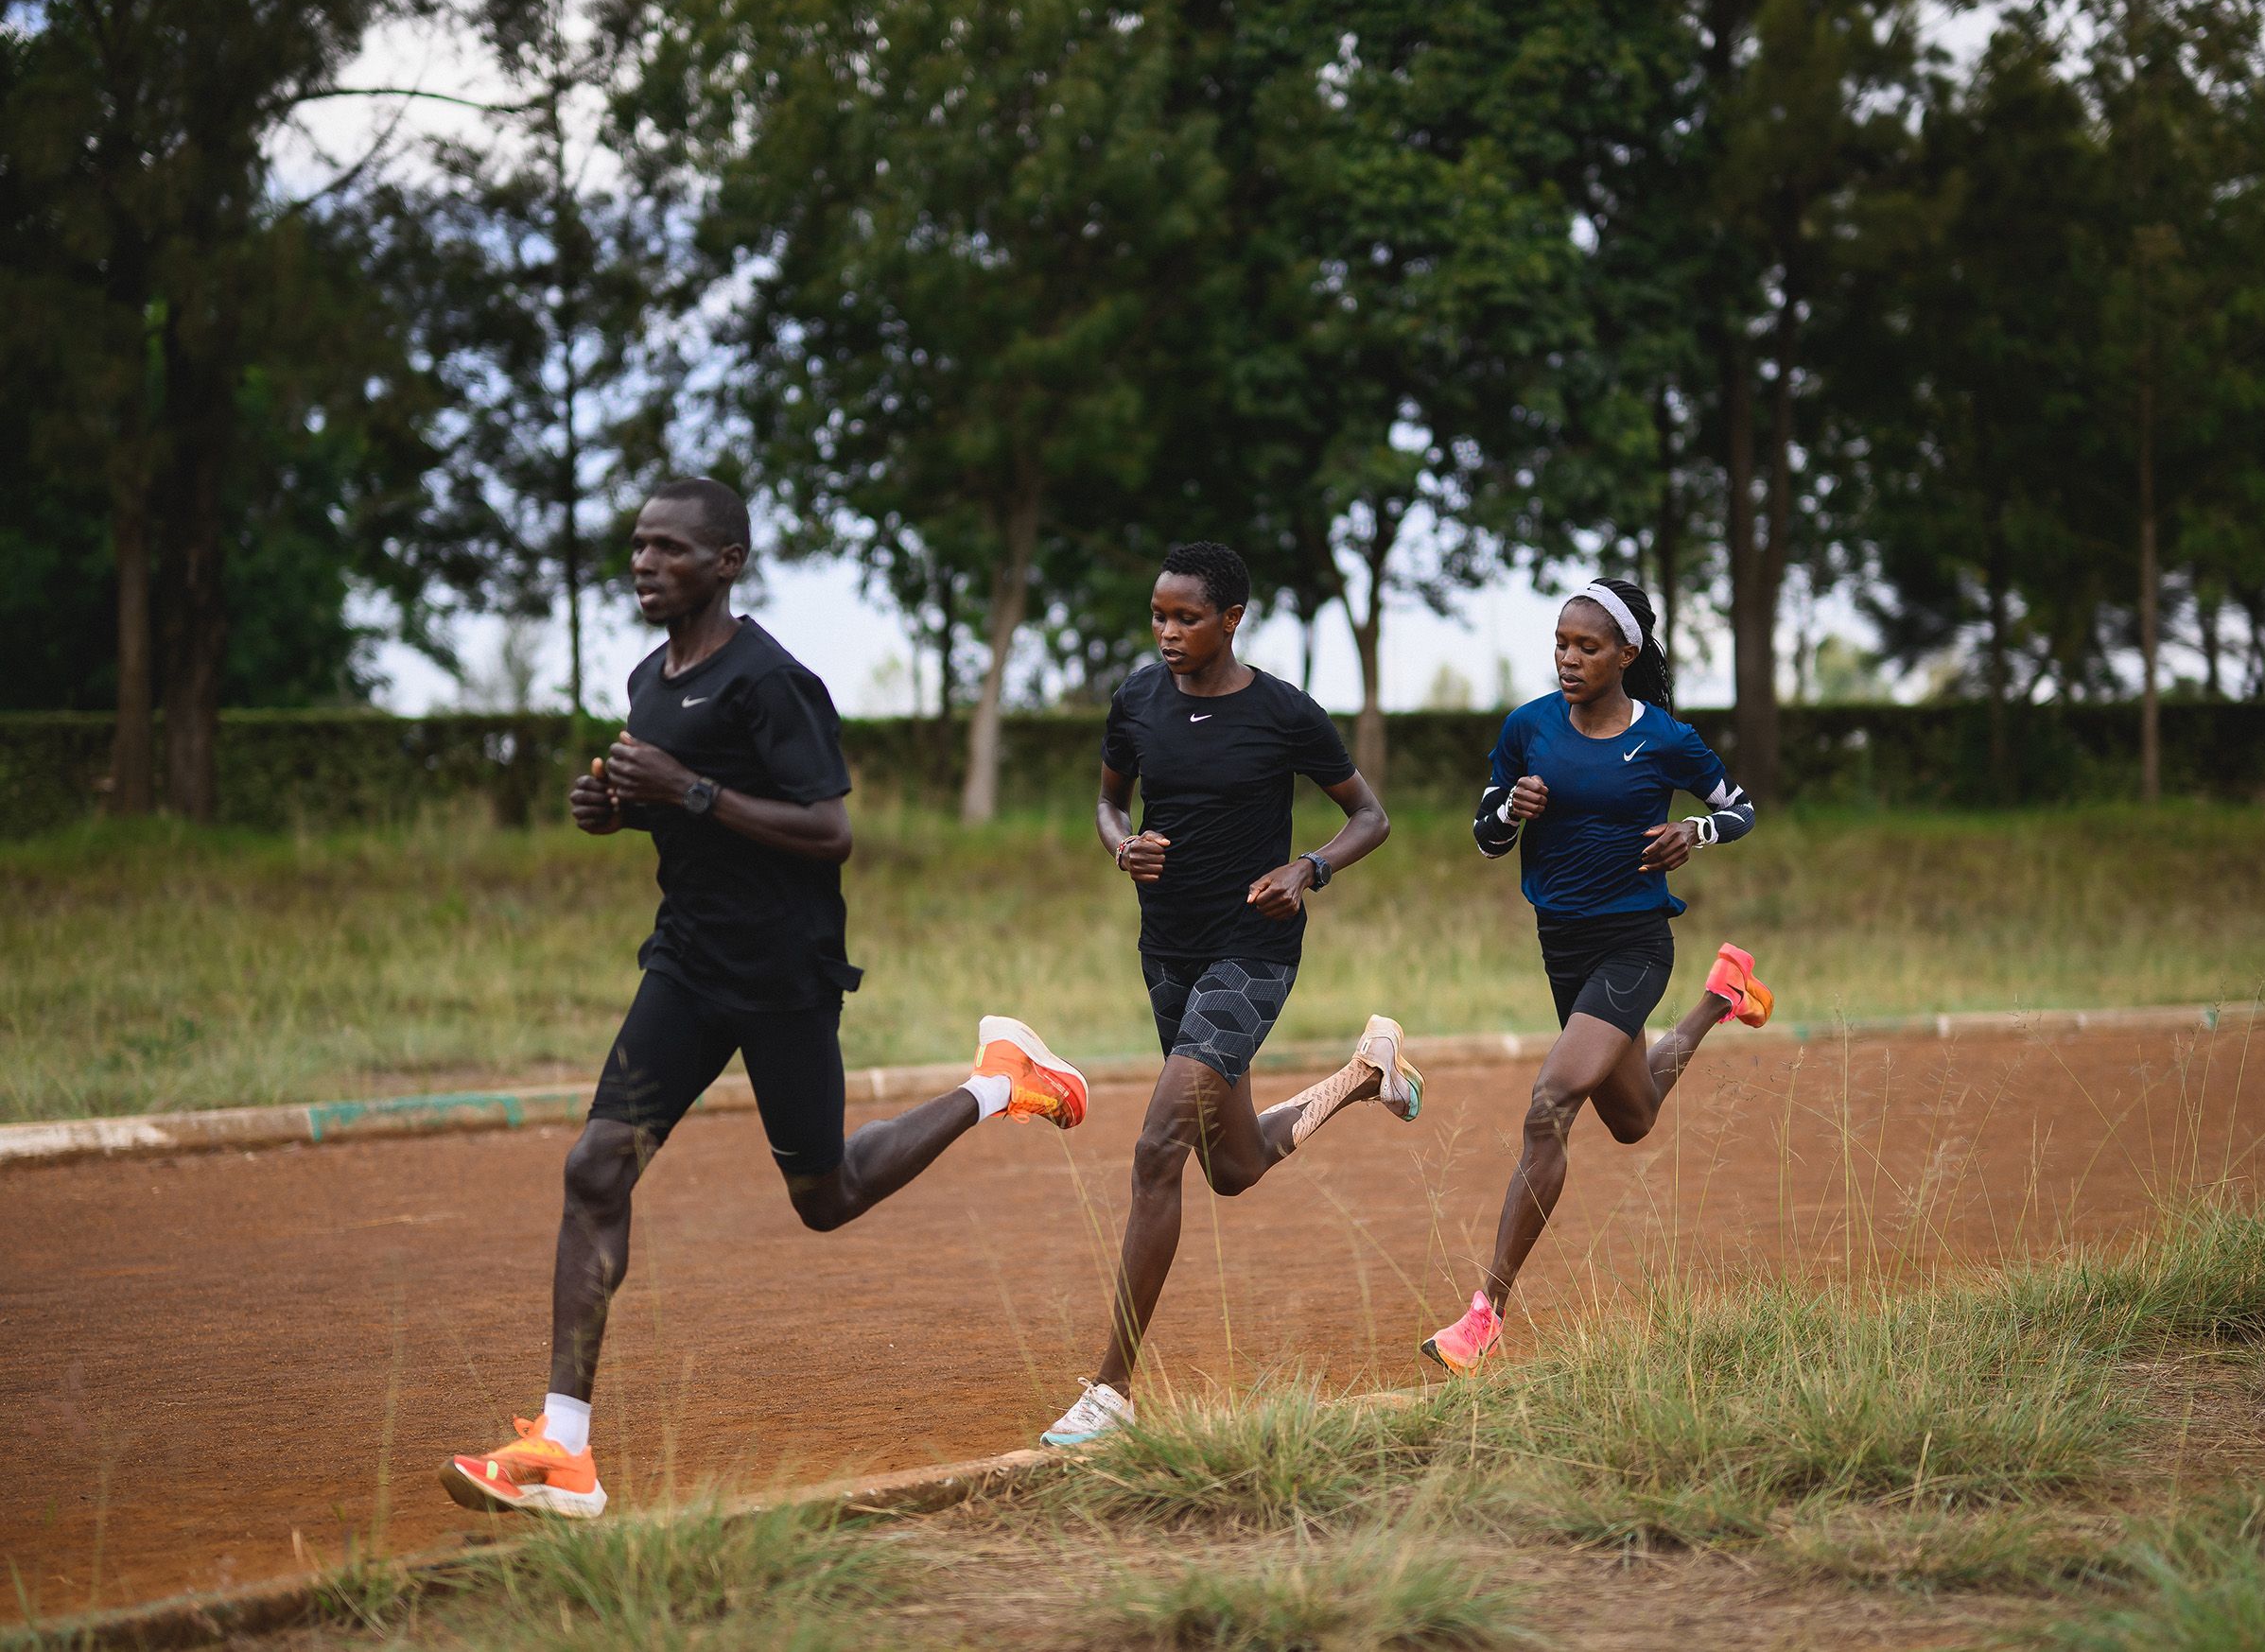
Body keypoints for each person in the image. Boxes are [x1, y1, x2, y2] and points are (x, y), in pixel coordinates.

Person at [440, 477, 1086, 1520]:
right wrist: (618, 809)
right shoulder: (652, 677)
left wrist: (685, 792)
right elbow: (680, 811)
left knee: (823, 1197)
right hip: (687, 966)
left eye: (670, 549)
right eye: (639, 546)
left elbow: (828, 831)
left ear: (727, 562)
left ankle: (994, 1085)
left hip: (783, 972)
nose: (645, 563)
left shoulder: (772, 681)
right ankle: (564, 1447)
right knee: (595, 1163)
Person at [1032, 542, 1418, 1447]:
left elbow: (1372, 815)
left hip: (1254, 948)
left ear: (1232, 618)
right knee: (1232, 1166)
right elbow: (1108, 804)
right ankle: (1365, 1074)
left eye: (1186, 617)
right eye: (1159, 615)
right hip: (1166, 949)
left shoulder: (1285, 713)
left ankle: (1112, 1392)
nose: (1168, 632)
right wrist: (1118, 845)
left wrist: (1307, 868)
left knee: (1158, 1143)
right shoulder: (1135, 699)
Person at [1420, 577, 1774, 1377]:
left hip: (1635, 944)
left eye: (1586, 646)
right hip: (1563, 947)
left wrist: (1696, 829)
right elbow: (1483, 837)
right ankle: (1723, 995)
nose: (1568, 659)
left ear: (1625, 653)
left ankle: (1484, 1316)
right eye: (1560, 644)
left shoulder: (1669, 739)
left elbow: (1741, 806)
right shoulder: (1528, 729)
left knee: (1550, 1105)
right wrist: (1512, 810)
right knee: (1634, 1117)